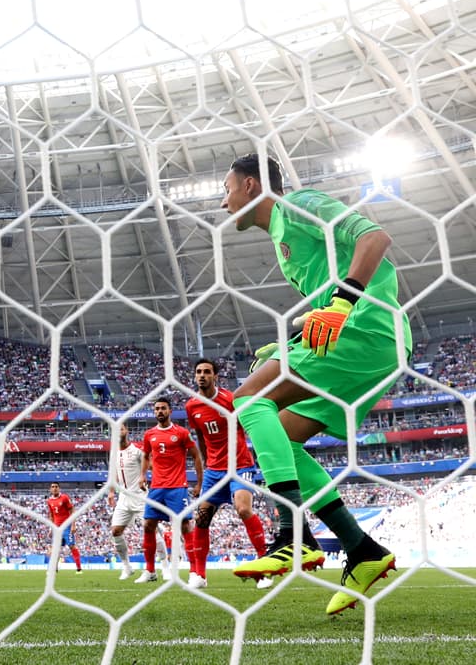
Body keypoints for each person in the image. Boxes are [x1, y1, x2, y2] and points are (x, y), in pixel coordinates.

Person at [221, 153, 406, 615]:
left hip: (364, 329)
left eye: (226, 190)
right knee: (281, 434)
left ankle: (291, 535)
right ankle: (362, 550)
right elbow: (326, 296)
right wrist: (294, 334)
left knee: (247, 399)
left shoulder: (300, 204)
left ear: (248, 186)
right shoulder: (283, 242)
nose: (224, 204)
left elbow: (374, 237)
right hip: (359, 339)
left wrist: (343, 303)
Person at [185, 358, 272, 590]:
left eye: (207, 372)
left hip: (240, 466)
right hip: (214, 471)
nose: (202, 375)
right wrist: (206, 466)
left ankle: (264, 568)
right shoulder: (192, 406)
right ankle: (200, 575)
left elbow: (250, 425)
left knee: (243, 509)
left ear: (216, 376)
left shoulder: (231, 400)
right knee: (201, 520)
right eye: (198, 372)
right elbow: (201, 438)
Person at [135, 398, 204, 584]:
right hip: (156, 488)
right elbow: (146, 455)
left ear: (170, 411)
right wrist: (142, 475)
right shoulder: (149, 434)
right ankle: (150, 571)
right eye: (156, 409)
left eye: (163, 408)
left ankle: (194, 572)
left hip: (177, 487)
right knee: (148, 525)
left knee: (185, 526)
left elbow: (197, 456)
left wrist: (199, 483)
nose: (159, 411)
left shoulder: (181, 433)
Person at [108, 422, 145, 580]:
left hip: (140, 495)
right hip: (123, 497)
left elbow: (148, 464)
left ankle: (165, 566)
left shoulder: (137, 451)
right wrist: (111, 492)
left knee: (150, 529)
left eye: (121, 428)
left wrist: (144, 477)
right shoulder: (113, 453)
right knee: (115, 531)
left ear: (127, 431)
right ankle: (127, 566)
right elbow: (114, 474)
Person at [46, 482, 83, 574]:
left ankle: (79, 568)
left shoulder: (64, 498)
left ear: (59, 488)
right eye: (52, 487)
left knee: (72, 546)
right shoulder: (49, 501)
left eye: (56, 487)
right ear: (50, 489)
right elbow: (51, 515)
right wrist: (51, 528)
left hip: (67, 526)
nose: (54, 488)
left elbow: (72, 511)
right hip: (57, 528)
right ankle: (54, 569)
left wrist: (73, 525)